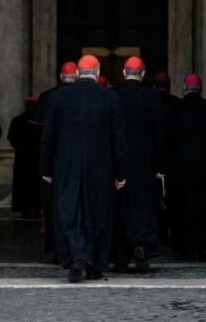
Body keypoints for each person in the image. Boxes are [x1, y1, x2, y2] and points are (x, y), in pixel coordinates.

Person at [40, 54, 128, 283]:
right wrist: (121, 173)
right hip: (101, 167)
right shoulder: (111, 97)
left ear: (78, 73)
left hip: (66, 165)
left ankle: (76, 256)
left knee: (70, 211)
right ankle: (94, 262)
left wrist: (46, 167)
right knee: (97, 214)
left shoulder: (59, 96)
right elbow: (118, 139)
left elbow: (48, 136)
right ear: (97, 73)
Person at [111, 56, 165, 272]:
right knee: (144, 205)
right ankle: (142, 244)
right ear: (142, 74)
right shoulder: (153, 97)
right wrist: (160, 166)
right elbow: (160, 133)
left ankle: (122, 254)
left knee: (120, 206)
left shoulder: (113, 94)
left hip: (119, 159)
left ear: (124, 72)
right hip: (145, 160)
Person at [32, 61, 78, 258]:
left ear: (61, 77)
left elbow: (40, 134)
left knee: (52, 207)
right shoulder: (85, 95)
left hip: (53, 160)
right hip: (76, 159)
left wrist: (44, 166)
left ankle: (54, 248)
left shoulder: (48, 97)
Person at [166, 72, 206, 260]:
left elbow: (168, 139)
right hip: (203, 166)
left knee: (180, 206)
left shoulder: (175, 109)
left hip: (179, 167)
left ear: (184, 88)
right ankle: (201, 245)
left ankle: (182, 246)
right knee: (201, 206)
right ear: (200, 88)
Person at [152, 71, 181, 245]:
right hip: (173, 160)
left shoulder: (150, 102)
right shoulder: (178, 104)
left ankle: (158, 236)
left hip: (153, 159)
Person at [8, 97, 42, 218]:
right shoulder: (41, 121)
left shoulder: (17, 121)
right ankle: (37, 209)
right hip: (37, 157)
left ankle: (25, 209)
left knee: (24, 184)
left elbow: (11, 138)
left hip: (23, 157)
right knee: (36, 185)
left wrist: (20, 147)